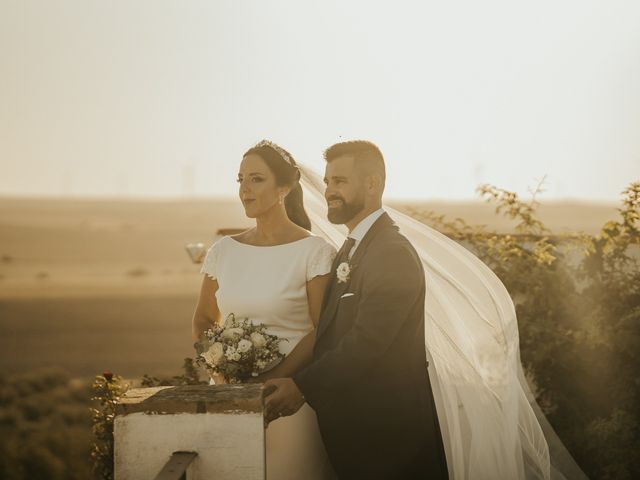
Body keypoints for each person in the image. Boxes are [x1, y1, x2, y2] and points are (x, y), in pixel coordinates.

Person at [263, 141, 449, 479]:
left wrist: (302, 385)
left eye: (340, 181)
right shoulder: (352, 249)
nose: (329, 191)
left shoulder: (391, 252)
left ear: (372, 184)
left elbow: (367, 343)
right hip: (362, 441)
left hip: (391, 445)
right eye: (328, 181)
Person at [191, 140, 337, 480]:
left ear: (284, 187)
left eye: (256, 179)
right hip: (229, 399)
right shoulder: (224, 251)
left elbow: (323, 329)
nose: (244, 189)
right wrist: (221, 376)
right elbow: (202, 319)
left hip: (287, 402)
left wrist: (271, 382)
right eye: (240, 179)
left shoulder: (313, 252)